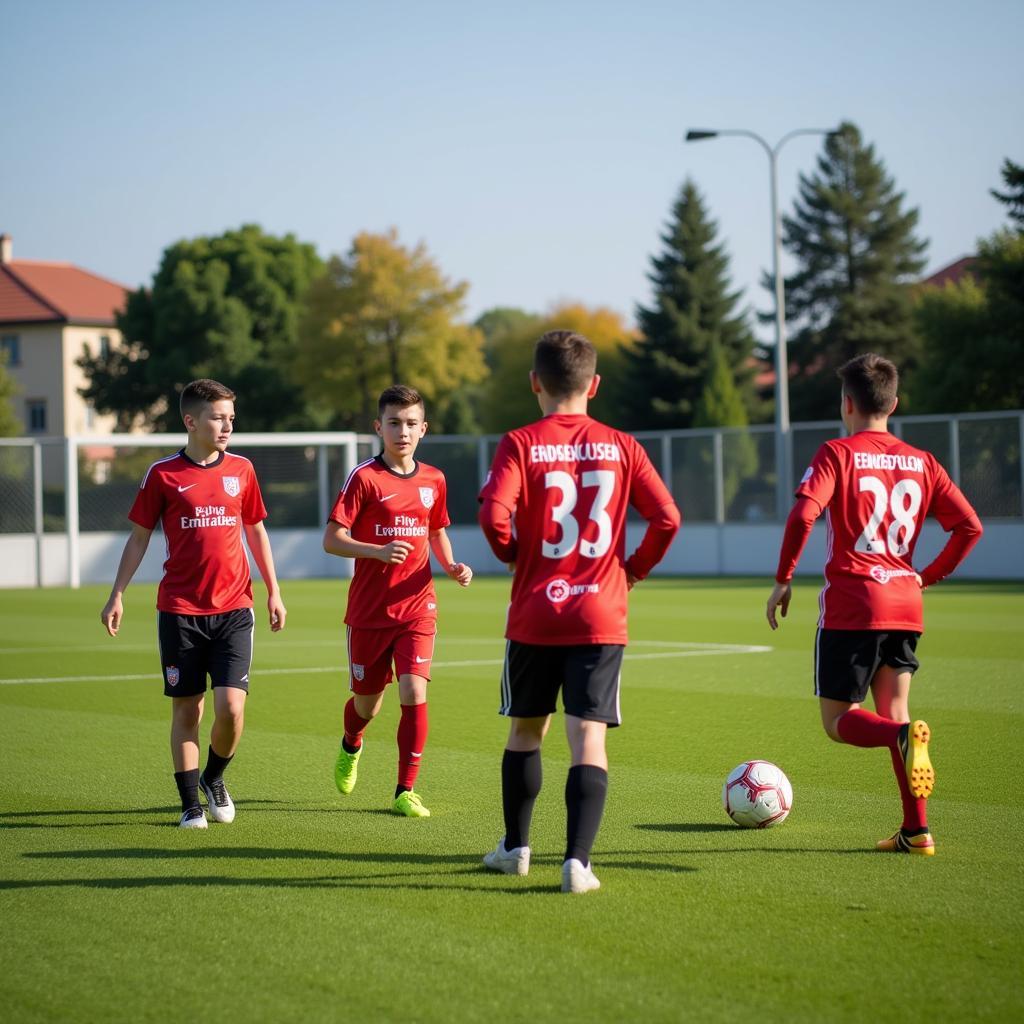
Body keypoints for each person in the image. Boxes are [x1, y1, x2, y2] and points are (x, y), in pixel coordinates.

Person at [478, 330, 681, 893]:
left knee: (525, 731)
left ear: (534, 383)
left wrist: (519, 559)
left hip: (537, 611)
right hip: (600, 612)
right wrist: (631, 571)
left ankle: (516, 849)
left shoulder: (519, 442)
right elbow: (667, 518)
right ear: (594, 385)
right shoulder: (622, 444)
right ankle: (577, 864)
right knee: (588, 737)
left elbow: (495, 517)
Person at [766, 353, 982, 855]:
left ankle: (901, 743)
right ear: (895, 403)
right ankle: (917, 830)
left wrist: (784, 578)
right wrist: (923, 577)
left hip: (854, 603)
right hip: (904, 603)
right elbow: (970, 526)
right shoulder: (922, 461)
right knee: (898, 713)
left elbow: (803, 516)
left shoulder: (836, 453)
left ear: (847, 404)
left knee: (840, 723)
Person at [101, 378, 286, 829]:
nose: (227, 426)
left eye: (231, 419)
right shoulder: (162, 474)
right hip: (181, 612)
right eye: (218, 417)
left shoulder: (242, 469)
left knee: (231, 708)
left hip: (235, 610)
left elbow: (256, 531)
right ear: (191, 420)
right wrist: (118, 593)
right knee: (189, 709)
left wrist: (273, 590)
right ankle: (189, 805)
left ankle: (214, 777)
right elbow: (139, 537)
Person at [323, 384, 472, 818]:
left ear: (423, 429)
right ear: (379, 427)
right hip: (369, 613)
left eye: (410, 424)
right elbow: (332, 539)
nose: (402, 432)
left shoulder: (434, 480)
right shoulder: (364, 478)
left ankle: (405, 790)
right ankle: (352, 743)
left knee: (412, 690)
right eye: (393, 423)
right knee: (367, 704)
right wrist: (375, 551)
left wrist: (451, 564)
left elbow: (436, 530)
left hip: (417, 606)